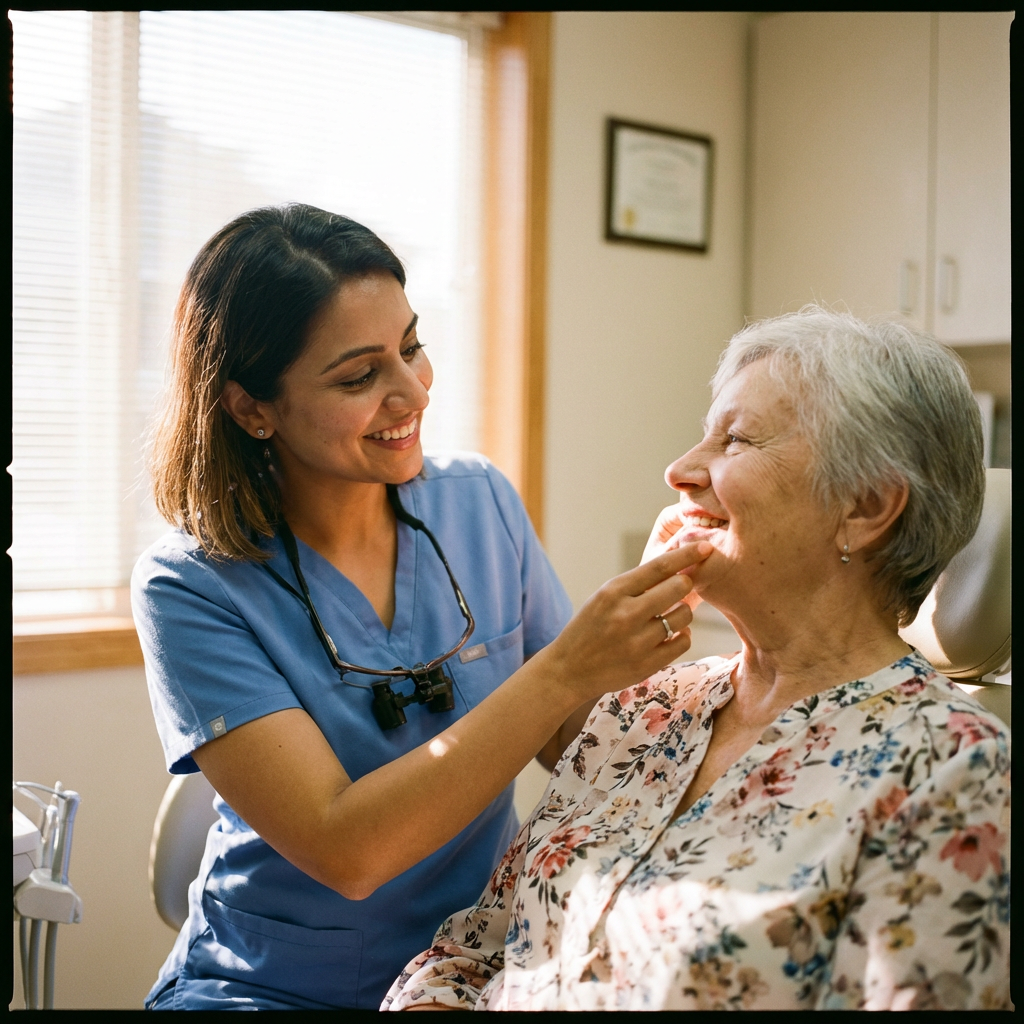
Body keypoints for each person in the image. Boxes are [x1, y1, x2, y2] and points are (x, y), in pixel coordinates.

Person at [133, 204, 706, 1010]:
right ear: (250, 407)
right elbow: (348, 850)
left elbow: (579, 743)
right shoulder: (189, 585)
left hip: (478, 968)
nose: (412, 394)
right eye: (359, 376)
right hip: (274, 987)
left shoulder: (479, 503)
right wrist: (564, 669)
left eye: (411, 348)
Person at [383, 307, 1011, 1011]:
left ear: (865, 506)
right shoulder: (643, 708)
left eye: (734, 439)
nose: (679, 471)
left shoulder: (954, 768)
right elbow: (469, 957)